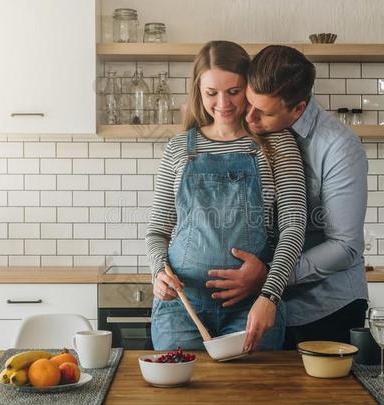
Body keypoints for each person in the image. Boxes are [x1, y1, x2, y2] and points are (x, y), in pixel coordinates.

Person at [145, 41, 307, 353]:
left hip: (252, 307)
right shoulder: (178, 148)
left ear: (249, 86)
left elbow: (293, 228)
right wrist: (158, 273)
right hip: (182, 307)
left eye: (234, 91)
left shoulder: (278, 145)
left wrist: (269, 295)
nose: (223, 103)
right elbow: (157, 231)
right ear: (198, 91)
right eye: (211, 93)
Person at [206, 45, 369, 348]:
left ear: (298, 109)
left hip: (324, 309)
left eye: (265, 113)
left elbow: (345, 246)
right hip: (257, 307)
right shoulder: (251, 131)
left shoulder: (338, 147)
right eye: (249, 103)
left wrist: (270, 278)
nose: (250, 117)